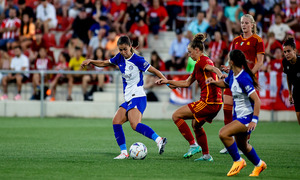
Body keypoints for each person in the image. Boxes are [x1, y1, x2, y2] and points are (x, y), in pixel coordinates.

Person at [80, 35, 168, 159]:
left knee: (135, 124)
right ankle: (124, 153)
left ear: (130, 46)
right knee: (116, 121)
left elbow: (154, 70)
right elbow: (104, 63)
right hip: (129, 98)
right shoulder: (119, 58)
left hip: (138, 96)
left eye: (125, 49)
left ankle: (159, 140)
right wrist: (91, 61)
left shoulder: (138, 59)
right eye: (120, 49)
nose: (123, 52)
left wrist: (166, 81)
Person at [156, 33, 223, 161]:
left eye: (190, 52)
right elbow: (186, 83)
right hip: (216, 103)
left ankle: (193, 145)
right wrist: (168, 81)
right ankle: (206, 155)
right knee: (196, 126)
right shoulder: (201, 62)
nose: (188, 54)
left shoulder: (202, 61)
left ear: (197, 50)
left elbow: (212, 68)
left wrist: (220, 73)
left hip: (208, 103)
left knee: (176, 116)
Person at [207, 49, 267, 177]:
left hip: (247, 117)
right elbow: (225, 83)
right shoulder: (233, 74)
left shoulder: (243, 78)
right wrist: (214, 83)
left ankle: (238, 161)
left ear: (232, 61)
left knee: (223, 133)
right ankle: (259, 164)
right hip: (238, 115)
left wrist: (254, 120)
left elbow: (257, 100)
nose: (228, 60)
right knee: (242, 145)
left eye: (229, 58)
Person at [220, 14, 265, 154]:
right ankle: (230, 140)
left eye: (246, 23)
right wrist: (229, 68)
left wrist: (249, 75)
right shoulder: (236, 40)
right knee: (227, 107)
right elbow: (231, 59)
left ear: (252, 24)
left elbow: (260, 61)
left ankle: (244, 141)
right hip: (234, 78)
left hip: (246, 80)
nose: (244, 25)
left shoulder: (257, 40)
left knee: (245, 110)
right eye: (242, 23)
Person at [282, 38, 300, 125]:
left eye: (288, 51)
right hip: (296, 91)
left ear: (295, 50)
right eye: (285, 52)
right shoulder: (285, 62)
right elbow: (288, 76)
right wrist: (290, 93)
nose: (286, 54)